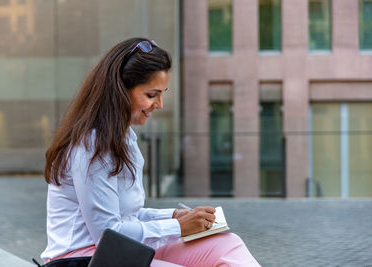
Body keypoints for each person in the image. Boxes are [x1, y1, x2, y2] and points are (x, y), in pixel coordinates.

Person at [41, 37, 260, 267]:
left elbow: (127, 217)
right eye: (151, 95)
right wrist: (178, 228)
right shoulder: (92, 145)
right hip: (84, 260)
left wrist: (175, 216)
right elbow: (108, 233)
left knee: (227, 244)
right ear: (121, 90)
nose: (160, 104)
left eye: (162, 93)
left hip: (122, 251)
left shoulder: (124, 138)